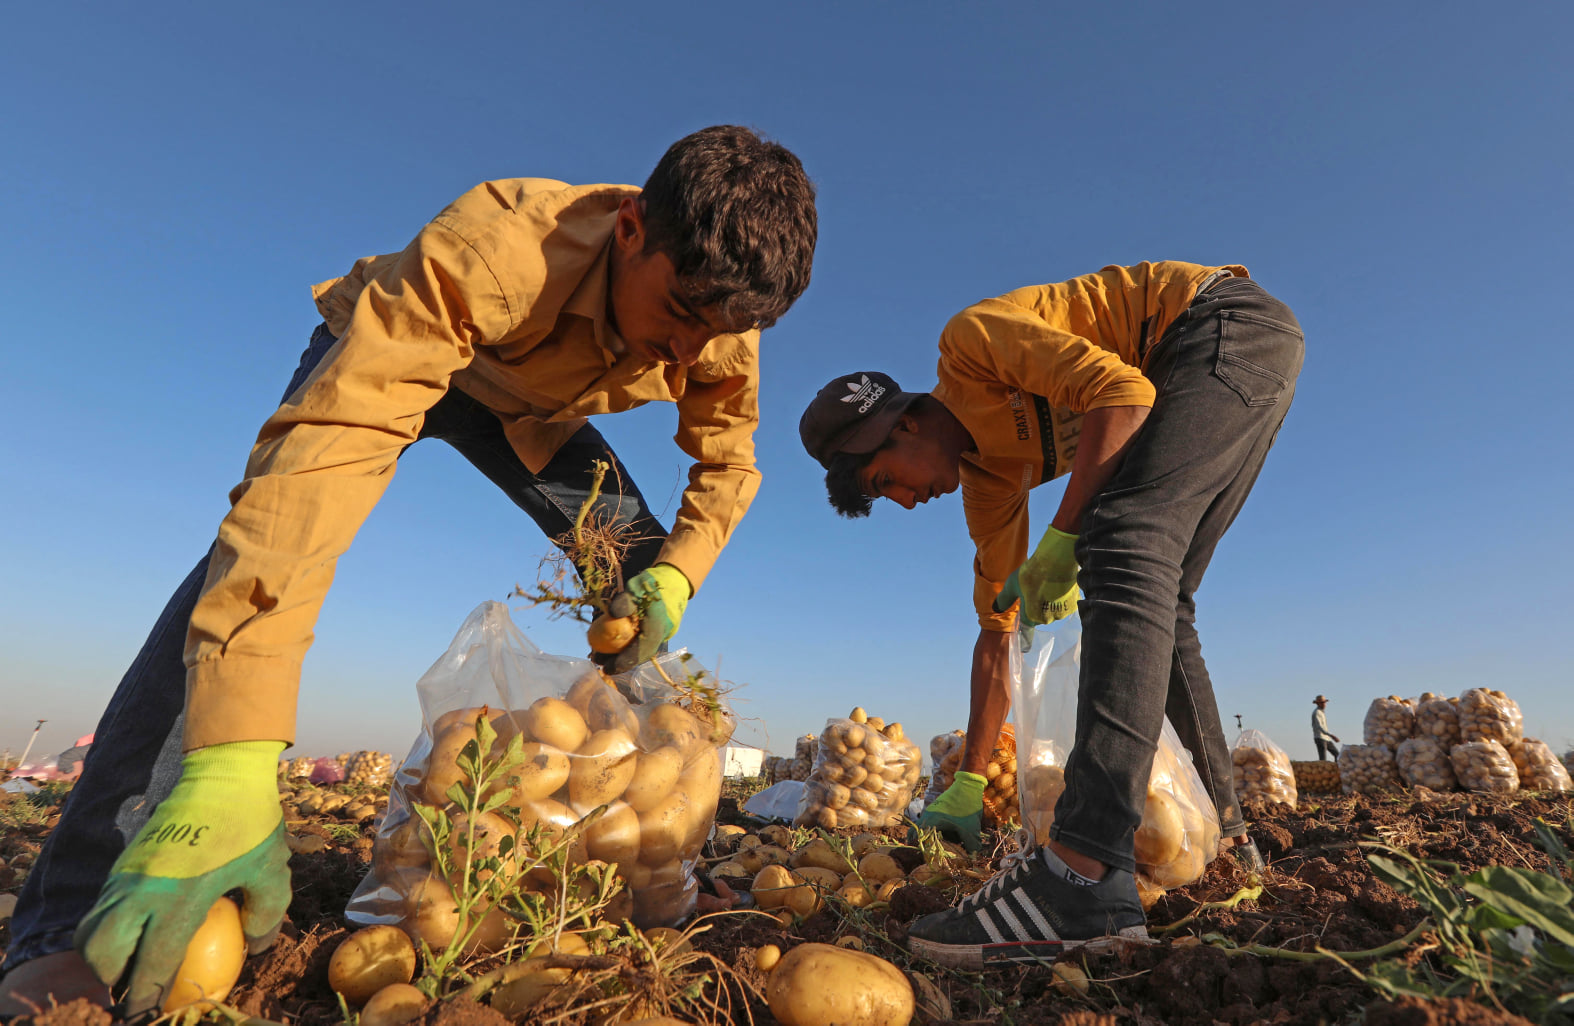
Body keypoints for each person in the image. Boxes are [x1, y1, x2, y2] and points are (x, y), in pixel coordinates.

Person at [0, 125, 817, 1016]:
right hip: (407, 352)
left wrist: (679, 577)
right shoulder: (493, 250)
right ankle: (68, 917)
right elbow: (311, 487)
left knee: (639, 571)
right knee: (241, 570)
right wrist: (233, 749)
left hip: (535, 413)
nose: (691, 356)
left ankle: (647, 853)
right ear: (630, 229)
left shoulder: (720, 320)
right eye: (683, 317)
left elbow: (728, 465)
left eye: (722, 332)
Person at [799, 262, 1302, 967]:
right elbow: (995, 632)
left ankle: (1085, 869)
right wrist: (970, 778)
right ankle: (1228, 847)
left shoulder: (972, 343)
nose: (908, 504)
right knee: (1163, 594)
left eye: (890, 483)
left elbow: (1124, 394)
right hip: (1235, 357)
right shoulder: (989, 481)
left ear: (905, 424)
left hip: (1217, 329)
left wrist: (1064, 539)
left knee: (1122, 542)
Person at [1313, 695, 1341, 760]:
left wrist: (1329, 736)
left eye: (1324, 703)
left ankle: (1336, 769)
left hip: (1326, 738)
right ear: (1317, 703)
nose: (1324, 704)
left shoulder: (1321, 712)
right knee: (1323, 758)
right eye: (1322, 703)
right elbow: (1320, 727)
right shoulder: (1317, 713)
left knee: (1337, 754)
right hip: (1320, 737)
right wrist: (1331, 735)